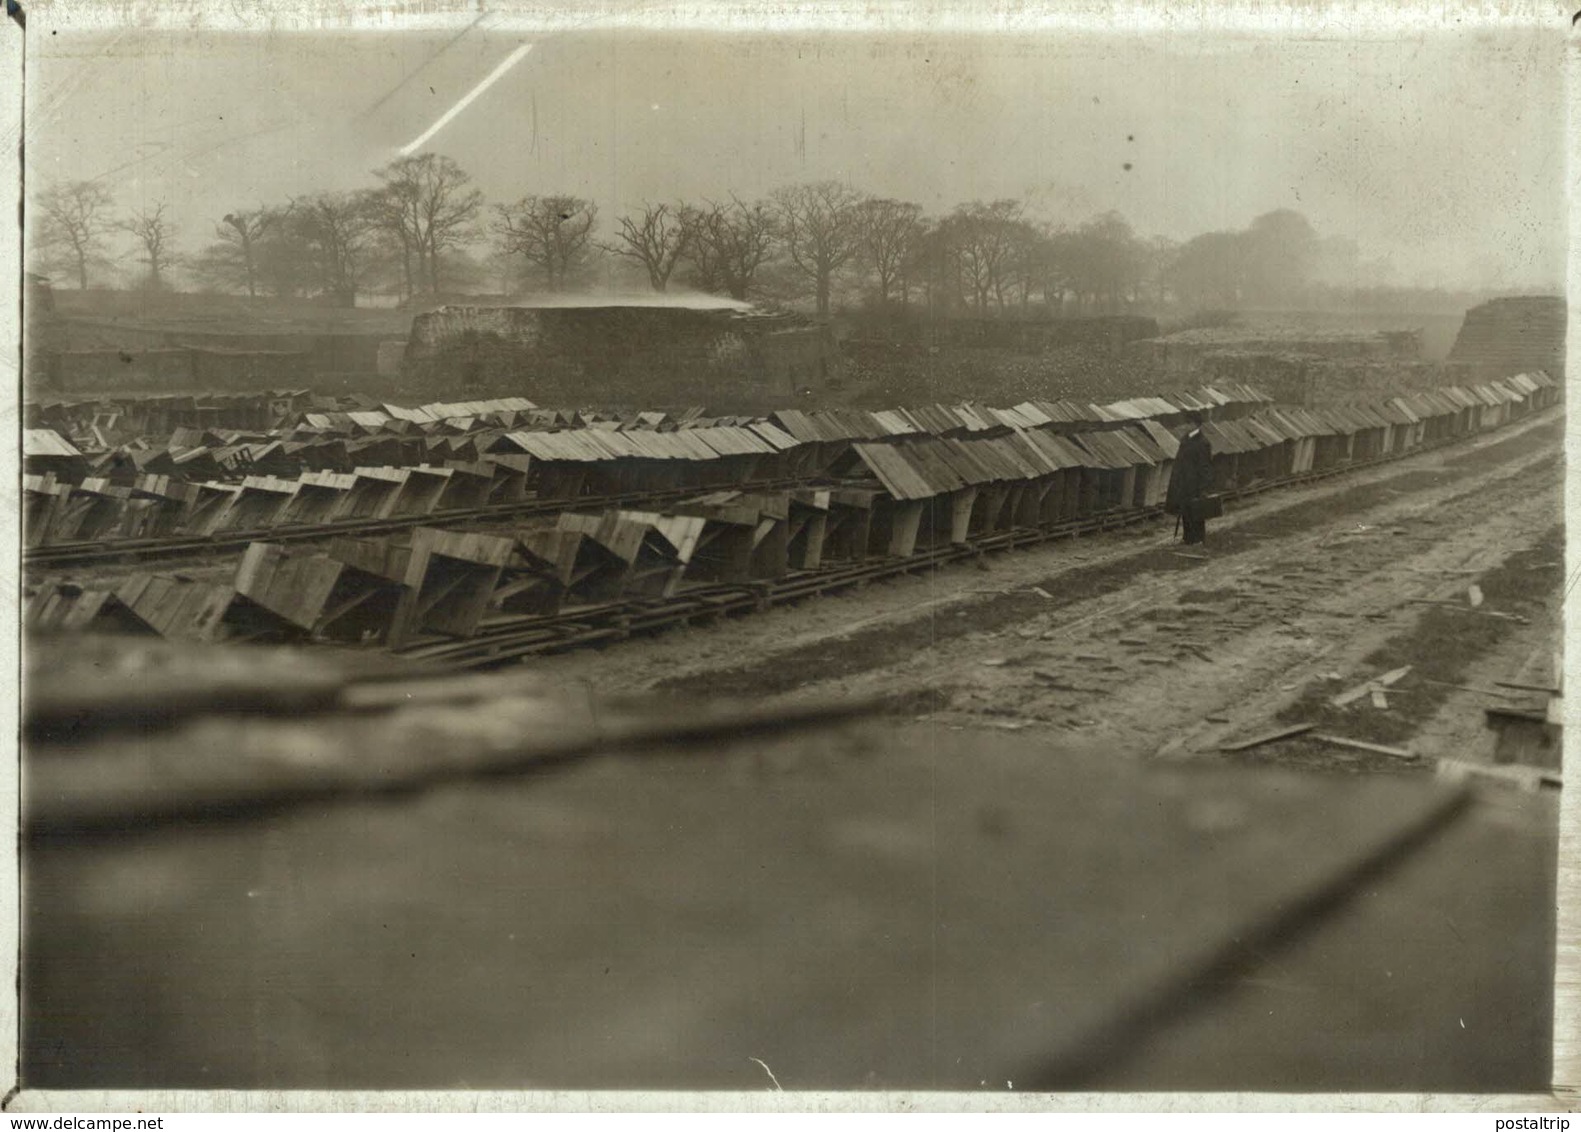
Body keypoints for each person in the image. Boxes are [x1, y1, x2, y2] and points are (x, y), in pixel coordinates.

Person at [1166, 411, 1215, 546]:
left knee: (1197, 512)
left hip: (1196, 484)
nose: (1185, 425)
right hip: (1184, 482)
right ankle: (1187, 538)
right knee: (1186, 511)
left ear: (1195, 424)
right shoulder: (1185, 440)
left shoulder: (1203, 442)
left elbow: (1205, 466)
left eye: (1188, 423)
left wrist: (1203, 487)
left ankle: (1198, 539)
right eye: (1186, 422)